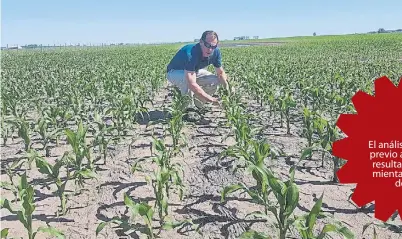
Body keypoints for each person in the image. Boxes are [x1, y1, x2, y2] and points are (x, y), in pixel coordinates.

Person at [166, 30, 229, 121]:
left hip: (193, 71)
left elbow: (220, 73)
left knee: (215, 80)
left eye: (213, 46)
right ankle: (187, 109)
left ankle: (197, 105)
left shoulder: (215, 52)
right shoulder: (191, 54)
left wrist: (227, 88)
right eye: (207, 45)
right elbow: (191, 83)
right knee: (187, 81)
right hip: (174, 72)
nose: (210, 49)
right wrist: (210, 99)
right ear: (201, 42)